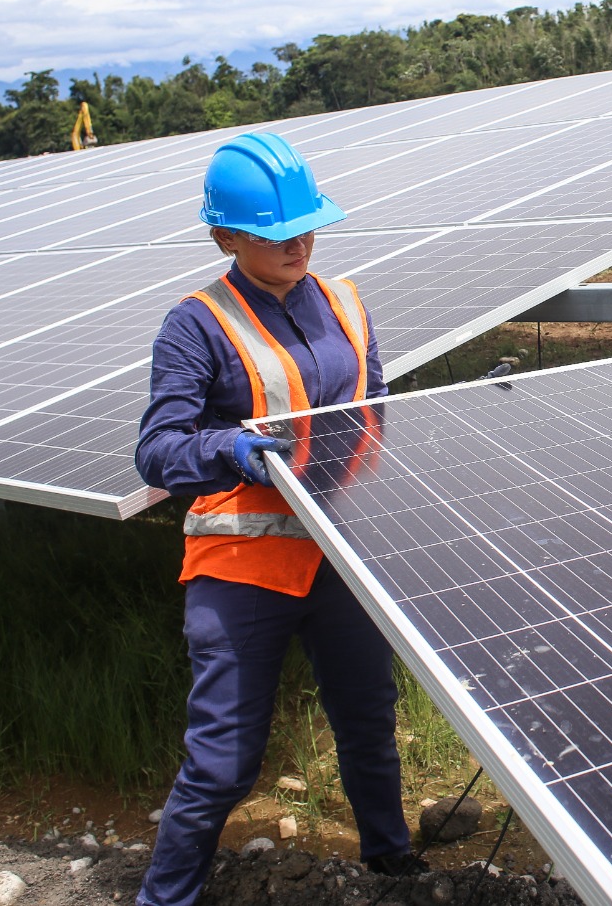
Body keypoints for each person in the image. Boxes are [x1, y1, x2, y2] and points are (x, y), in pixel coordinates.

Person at [135, 132, 422, 906]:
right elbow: (157, 452)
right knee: (223, 759)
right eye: (273, 233)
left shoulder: (346, 302)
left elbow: (376, 410)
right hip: (246, 564)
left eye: (306, 225)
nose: (297, 243)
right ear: (225, 236)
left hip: (343, 548)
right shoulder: (195, 325)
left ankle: (391, 863)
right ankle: (166, 898)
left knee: (368, 718)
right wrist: (229, 447)